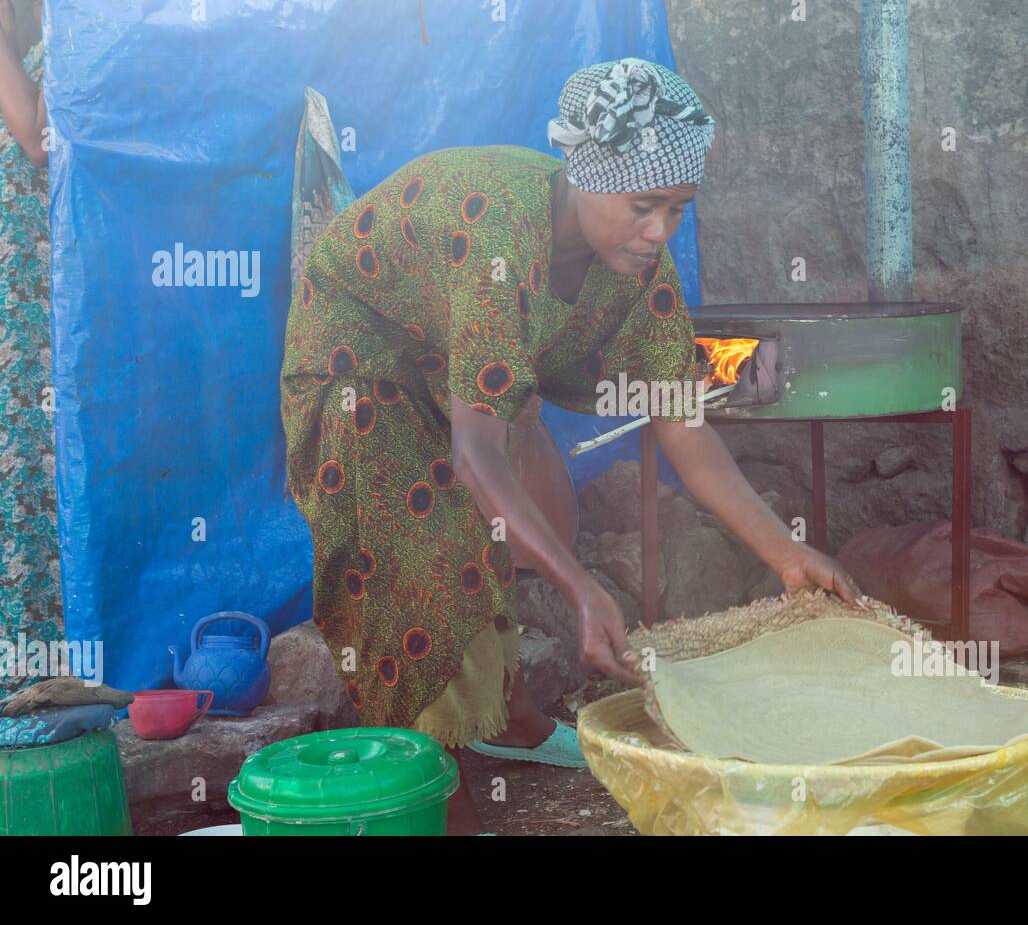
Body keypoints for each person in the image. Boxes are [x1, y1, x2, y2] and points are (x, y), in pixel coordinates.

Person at [280, 58, 860, 834]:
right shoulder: (500, 237)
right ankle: (425, 778)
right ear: (584, 176)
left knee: (491, 528)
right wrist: (583, 586)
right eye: (644, 205)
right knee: (413, 547)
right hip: (362, 346)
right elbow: (476, 454)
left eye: (680, 209)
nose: (661, 232)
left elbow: (681, 422)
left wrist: (785, 554)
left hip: (451, 349)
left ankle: (513, 722)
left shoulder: (638, 266)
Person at [0, 0, 60, 696]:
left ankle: (46, 659)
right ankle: (29, 660)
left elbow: (38, 136)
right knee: (26, 447)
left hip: (46, 288)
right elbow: (35, 134)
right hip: (26, 258)